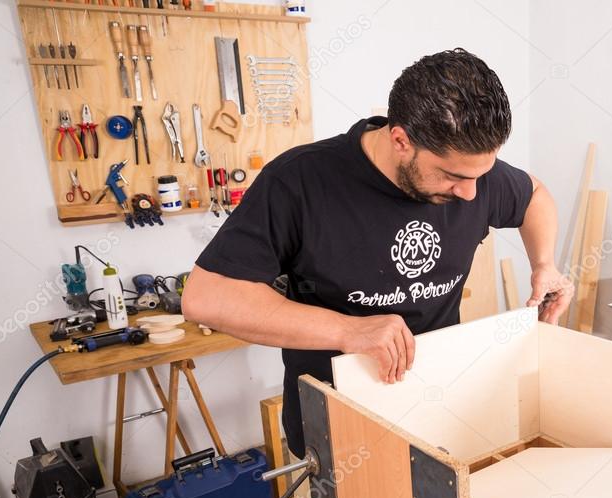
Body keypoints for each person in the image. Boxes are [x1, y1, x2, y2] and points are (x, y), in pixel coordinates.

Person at [182, 48, 573, 461]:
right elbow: (207, 297)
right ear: (400, 140)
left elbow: (535, 197)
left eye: (481, 175)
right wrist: (349, 331)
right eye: (453, 176)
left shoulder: (473, 174)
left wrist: (544, 264)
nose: (472, 194)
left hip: (439, 406)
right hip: (342, 418)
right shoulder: (301, 181)